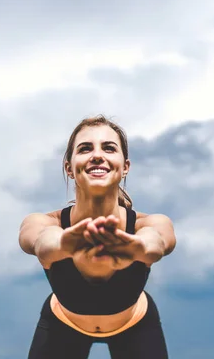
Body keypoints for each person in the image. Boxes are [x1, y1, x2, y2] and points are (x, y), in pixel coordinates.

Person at [19, 115, 177, 358]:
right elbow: (41, 242)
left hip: (136, 323)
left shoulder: (150, 223)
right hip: (62, 323)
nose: (97, 155)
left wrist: (136, 248)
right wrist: (66, 243)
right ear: (69, 168)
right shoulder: (44, 222)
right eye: (85, 148)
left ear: (125, 166)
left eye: (108, 148)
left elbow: (156, 241)